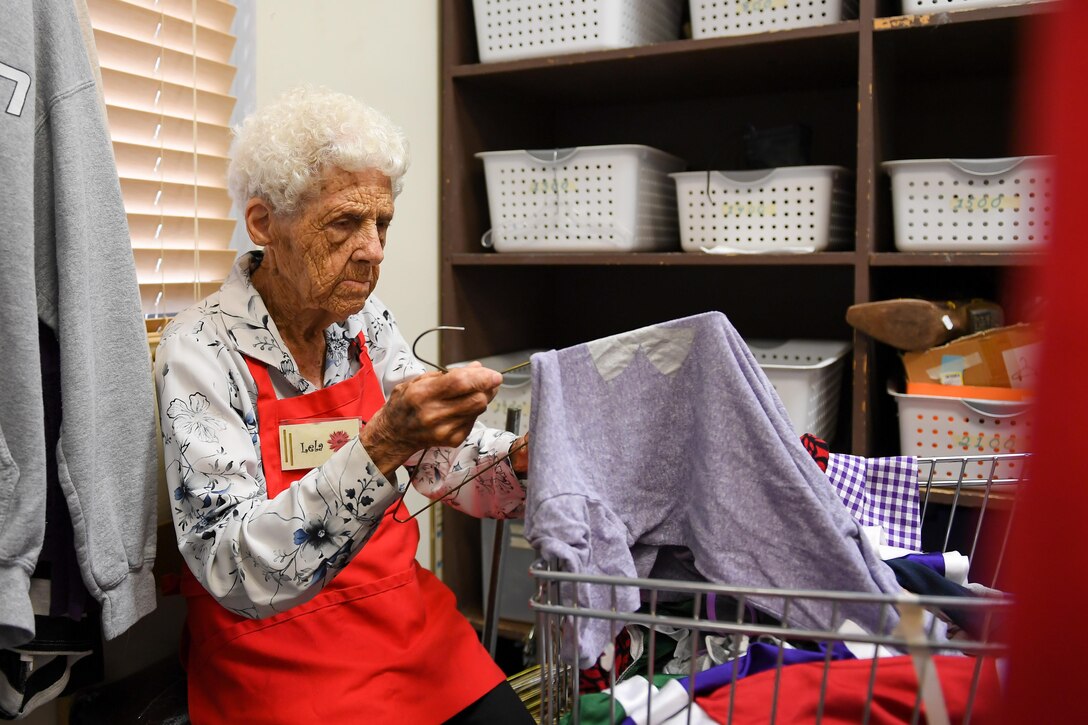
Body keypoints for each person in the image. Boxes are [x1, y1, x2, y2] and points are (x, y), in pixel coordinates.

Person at [154, 86, 533, 724]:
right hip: (275, 648)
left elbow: (444, 469)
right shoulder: (200, 349)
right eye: (344, 223)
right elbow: (234, 568)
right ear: (263, 224)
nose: (374, 250)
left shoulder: (365, 325)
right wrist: (383, 443)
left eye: (381, 222)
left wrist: (524, 462)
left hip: (405, 624)